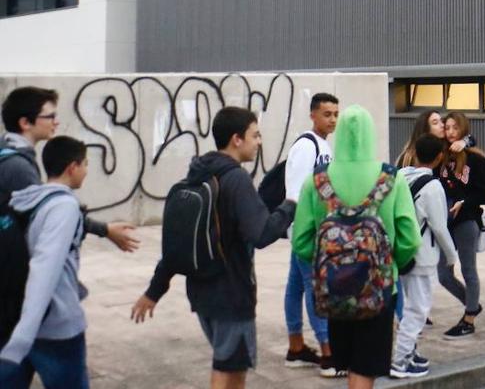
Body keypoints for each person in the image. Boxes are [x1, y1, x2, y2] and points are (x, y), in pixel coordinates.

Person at [132, 107, 297, 389]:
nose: (259, 142)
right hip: (231, 294)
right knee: (228, 366)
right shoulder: (236, 179)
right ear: (237, 139)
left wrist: (154, 290)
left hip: (202, 292)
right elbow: (262, 233)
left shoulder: (199, 173)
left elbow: (177, 239)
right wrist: (291, 204)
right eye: (255, 135)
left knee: (232, 363)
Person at [292, 105, 419, 388]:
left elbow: (300, 241)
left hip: (335, 289)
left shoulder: (318, 180)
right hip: (380, 289)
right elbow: (410, 238)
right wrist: (390, 264)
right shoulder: (391, 178)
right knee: (366, 367)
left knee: (349, 365)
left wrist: (332, 261)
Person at [0, 137, 93, 389]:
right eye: (85, 163)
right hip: (54, 327)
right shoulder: (63, 206)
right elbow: (45, 267)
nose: (86, 170)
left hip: (16, 317)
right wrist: (24, 334)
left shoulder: (27, 199)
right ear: (72, 167)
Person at [0, 87, 138, 253]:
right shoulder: (17, 167)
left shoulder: (8, 150)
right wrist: (105, 230)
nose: (56, 122)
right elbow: (49, 212)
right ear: (25, 123)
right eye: (50, 116)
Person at [390, 134, 458, 379]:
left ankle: (409, 353)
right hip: (423, 255)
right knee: (418, 310)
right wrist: (451, 256)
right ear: (440, 157)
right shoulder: (433, 187)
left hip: (402, 252)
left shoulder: (399, 177)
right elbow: (439, 226)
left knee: (409, 306)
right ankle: (400, 361)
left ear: (415, 153)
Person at [283, 93, 339, 376]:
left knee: (295, 287)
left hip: (309, 230)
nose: (332, 119)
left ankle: (296, 348)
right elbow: (297, 193)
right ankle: (329, 355)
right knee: (316, 288)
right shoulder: (306, 147)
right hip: (309, 232)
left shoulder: (322, 145)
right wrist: (309, 231)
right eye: (327, 114)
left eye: (335, 114)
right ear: (313, 115)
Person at [438, 112, 485, 336]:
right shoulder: (440, 157)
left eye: (455, 127)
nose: (450, 132)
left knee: (468, 269)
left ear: (463, 130)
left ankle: (469, 319)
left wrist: (465, 201)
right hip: (444, 223)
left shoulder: (476, 159)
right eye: (447, 127)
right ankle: (473, 304)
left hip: (467, 220)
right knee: (443, 273)